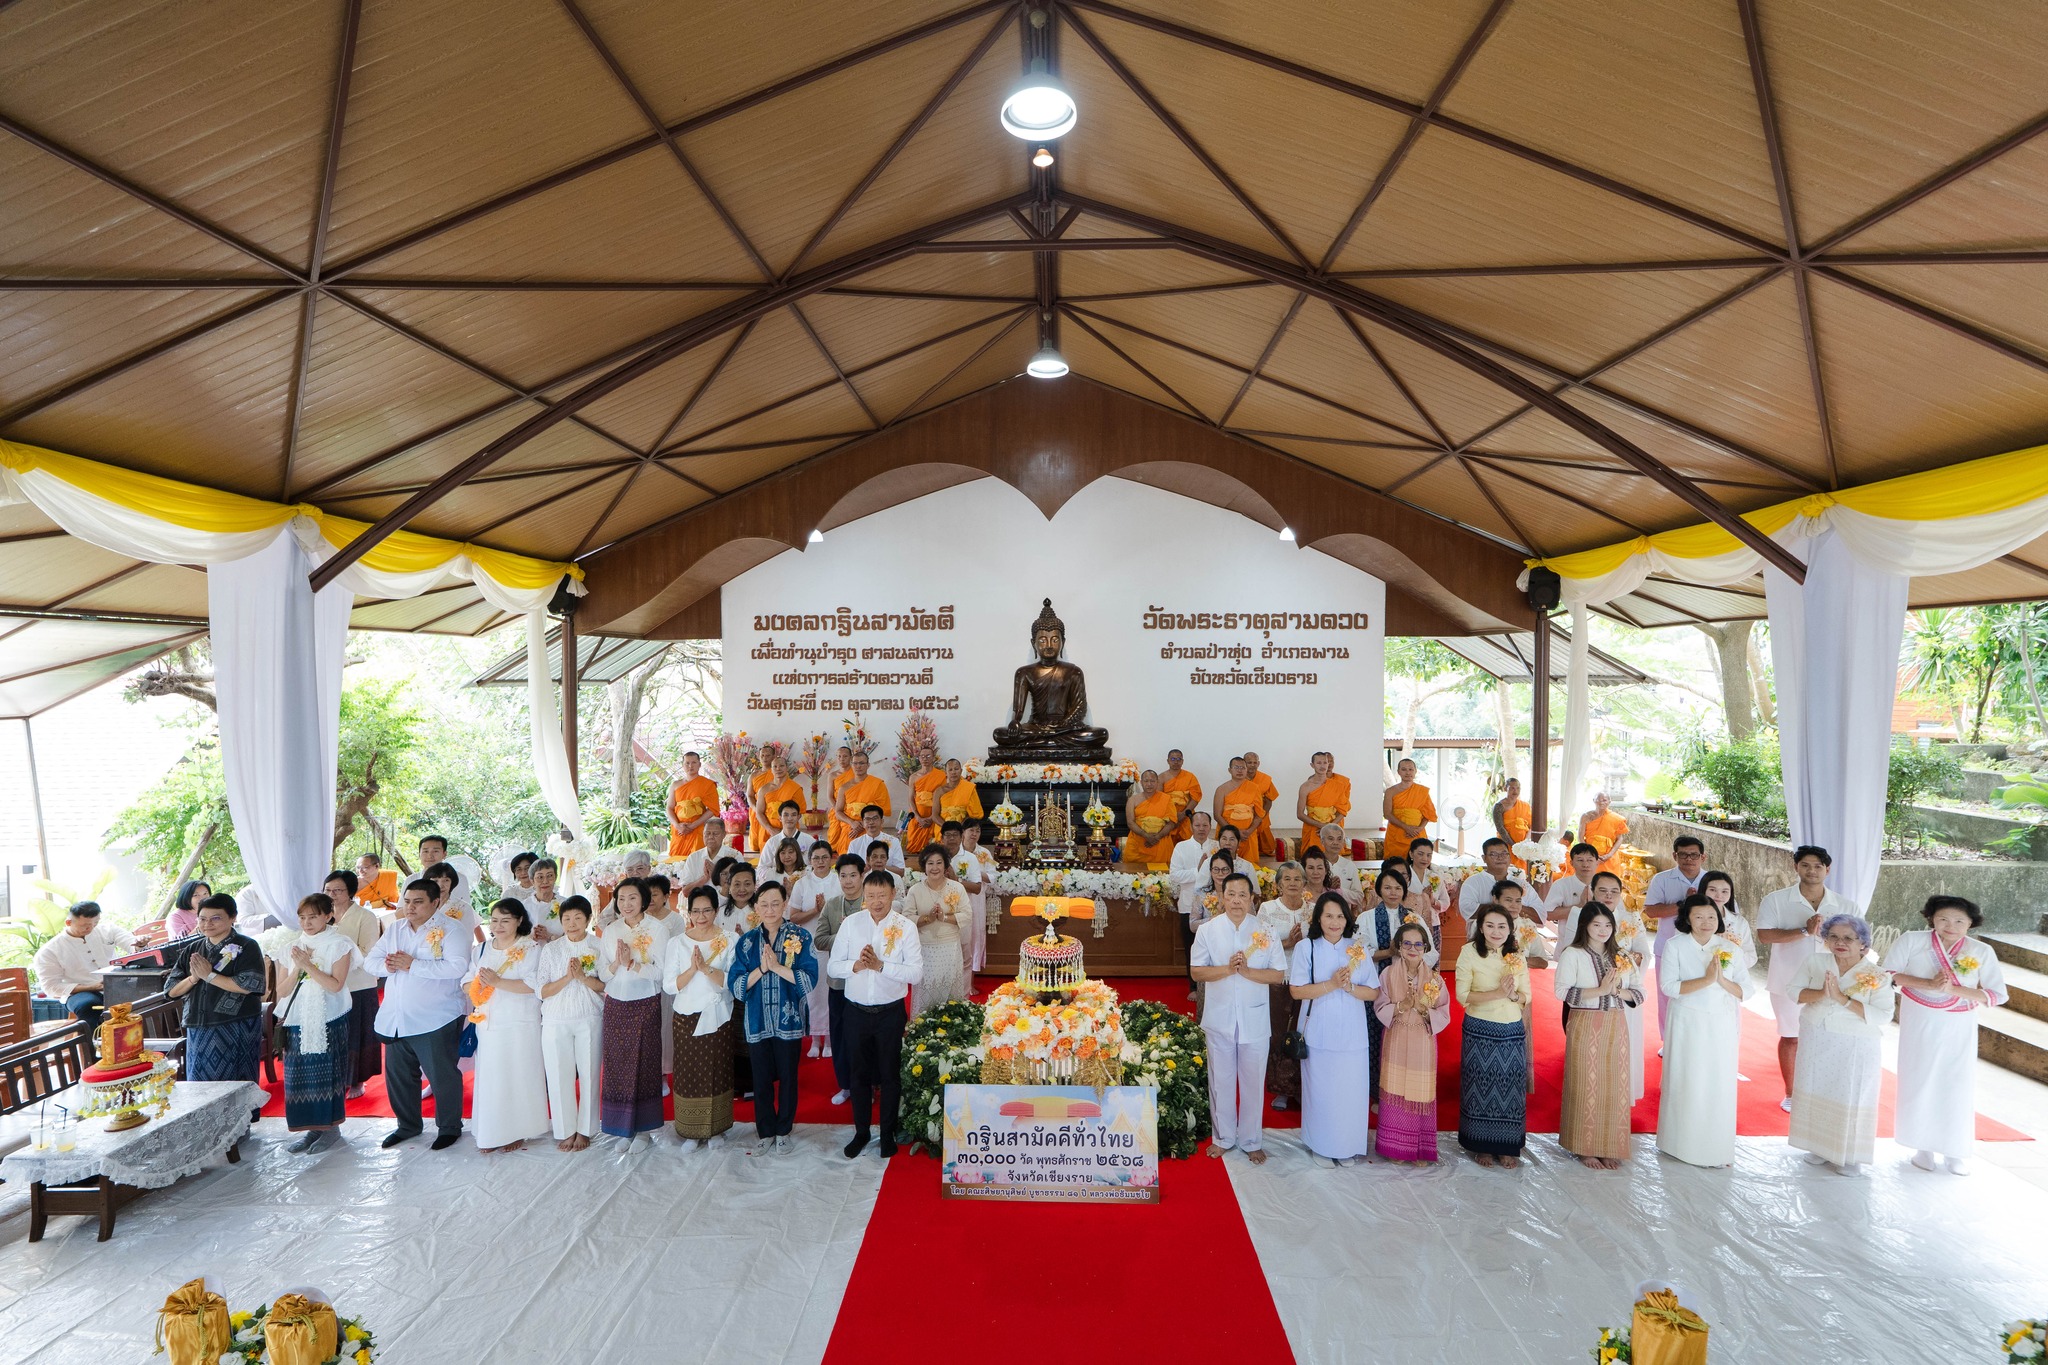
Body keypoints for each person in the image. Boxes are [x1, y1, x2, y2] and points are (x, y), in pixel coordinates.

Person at [1883, 895, 2009, 1176]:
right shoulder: (1911, 940)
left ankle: (1955, 1150)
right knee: (1919, 1077)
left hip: (1959, 1024)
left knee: (1955, 1082)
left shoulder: (1981, 951)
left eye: (1959, 921)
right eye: (1943, 919)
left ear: (1971, 924)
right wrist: (1927, 983)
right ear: (1931, 919)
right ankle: (1921, 1148)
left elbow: (1997, 994)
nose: (1950, 925)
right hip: (1920, 1019)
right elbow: (1887, 974)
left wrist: (1954, 990)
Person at [366, 878, 473, 1151]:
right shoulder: (395, 929)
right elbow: (371, 961)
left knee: (442, 1075)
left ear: (435, 903)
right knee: (399, 1076)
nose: (410, 907)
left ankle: (449, 1128)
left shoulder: (452, 929)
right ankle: (407, 1126)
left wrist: (413, 965)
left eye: (418, 902)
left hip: (436, 1016)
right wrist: (389, 966)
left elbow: (458, 967)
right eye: (407, 901)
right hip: (397, 1017)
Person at [1191, 872, 1288, 1164]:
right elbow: (1197, 971)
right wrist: (1227, 968)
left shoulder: (1266, 931)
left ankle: (1250, 1139)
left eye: (1242, 895)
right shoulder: (1208, 930)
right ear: (1222, 898)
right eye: (1230, 894)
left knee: (1252, 1081)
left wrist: (1246, 972)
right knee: (1220, 1080)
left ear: (1252, 899)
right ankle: (1223, 1137)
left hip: (1254, 1020)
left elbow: (1278, 974)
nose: (1236, 901)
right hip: (1219, 1018)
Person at [829, 869, 924, 1159]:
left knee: (889, 1074)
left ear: (893, 895)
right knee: (858, 1074)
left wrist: (881, 966)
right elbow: (833, 967)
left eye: (882, 895)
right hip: (855, 1011)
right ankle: (861, 1132)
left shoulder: (905, 927)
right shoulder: (851, 925)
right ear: (863, 896)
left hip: (889, 1013)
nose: (876, 901)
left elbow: (916, 973)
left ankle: (887, 1133)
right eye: (870, 896)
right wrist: (857, 966)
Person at [1756, 845, 1857, 1114]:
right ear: (1796, 867)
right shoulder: (1776, 900)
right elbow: (1765, 936)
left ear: (1828, 869)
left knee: (1830, 1037)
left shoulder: (1846, 905)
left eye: (1818, 866)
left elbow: (1857, 942)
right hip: (1788, 980)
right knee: (1791, 1037)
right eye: (1805, 865)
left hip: (1832, 982)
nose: (1812, 871)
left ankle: (1824, 1093)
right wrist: (1804, 930)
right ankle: (1791, 1093)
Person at [1790, 913, 1894, 1175]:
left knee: (1850, 1094)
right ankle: (1817, 1146)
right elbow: (1794, 991)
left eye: (1849, 938)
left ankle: (1850, 1156)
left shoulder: (1876, 974)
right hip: (1817, 1034)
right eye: (1833, 936)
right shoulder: (1816, 961)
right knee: (1817, 1087)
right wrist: (1821, 994)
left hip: (1855, 1043)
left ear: (1864, 945)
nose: (1841, 942)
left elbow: (1883, 1016)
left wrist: (1841, 998)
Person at [1657, 892, 1755, 1167]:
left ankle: (1715, 1145)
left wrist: (1721, 981)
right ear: (1687, 919)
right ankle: (1678, 1143)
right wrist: (1707, 979)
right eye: (1698, 917)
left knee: (1717, 1081)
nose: (1706, 922)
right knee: (1686, 1078)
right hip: (1687, 1021)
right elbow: (1669, 987)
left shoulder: (1728, 949)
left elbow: (1746, 990)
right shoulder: (1676, 946)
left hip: (1720, 1023)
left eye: (1711, 916)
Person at [1289, 891, 1379, 1166]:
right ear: (1319, 918)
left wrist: (1350, 987)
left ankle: (1347, 1146)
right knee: (1321, 1090)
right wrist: (1331, 984)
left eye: (1340, 916)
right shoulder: (1308, 947)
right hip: (1318, 1029)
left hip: (1351, 1031)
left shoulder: (1358, 948)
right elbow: (1296, 991)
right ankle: (1321, 1145)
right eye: (1328, 915)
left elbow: (1373, 992)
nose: (1335, 921)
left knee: (1351, 1090)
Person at [728, 879, 817, 1155]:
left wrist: (776, 967)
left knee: (789, 1076)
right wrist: (762, 970)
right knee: (761, 1078)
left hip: (788, 1020)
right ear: (756, 907)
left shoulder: (800, 938)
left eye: (775, 903)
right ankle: (765, 1130)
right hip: (756, 1020)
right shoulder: (746, 942)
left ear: (785, 904)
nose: (770, 909)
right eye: (764, 904)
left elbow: (809, 980)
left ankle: (784, 1129)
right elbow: (737, 986)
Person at [1555, 903, 1643, 1169]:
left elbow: (1640, 993)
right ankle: (1584, 1147)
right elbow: (1562, 992)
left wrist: (1617, 993)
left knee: (1614, 1085)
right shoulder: (1573, 954)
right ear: (1585, 926)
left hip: (1616, 1024)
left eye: (1608, 925)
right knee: (1585, 1082)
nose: (1603, 930)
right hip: (1584, 1022)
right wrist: (1601, 990)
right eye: (1597, 925)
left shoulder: (1622, 956)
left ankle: (1609, 1146)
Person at [464, 899, 549, 1153]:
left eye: (506, 920)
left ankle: (519, 1130)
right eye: (495, 920)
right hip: (488, 1022)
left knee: (518, 1075)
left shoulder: (532, 948)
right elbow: (468, 979)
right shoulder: (481, 949)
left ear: (519, 921)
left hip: (519, 1022)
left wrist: (498, 982)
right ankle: (490, 1131)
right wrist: (476, 987)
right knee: (492, 1077)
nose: (498, 925)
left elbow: (535, 985)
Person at [275, 893, 357, 1154]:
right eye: (302, 917)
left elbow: (335, 985)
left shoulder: (339, 944)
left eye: (313, 916)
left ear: (328, 915)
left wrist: (308, 965)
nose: (307, 923)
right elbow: (283, 991)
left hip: (330, 1018)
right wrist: (298, 967)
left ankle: (331, 1130)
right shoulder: (291, 946)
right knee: (300, 1075)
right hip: (297, 1019)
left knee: (327, 1074)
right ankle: (312, 1129)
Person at [597, 878, 669, 1153]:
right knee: (618, 1065)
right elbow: (604, 974)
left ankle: (644, 1131)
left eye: (632, 898)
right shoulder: (611, 930)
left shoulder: (658, 930)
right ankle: (622, 1128)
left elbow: (661, 973)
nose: (626, 904)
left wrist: (633, 964)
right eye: (621, 898)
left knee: (645, 1064)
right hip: (616, 1004)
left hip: (645, 1003)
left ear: (644, 901)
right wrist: (618, 962)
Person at [1456, 905, 1530, 1168]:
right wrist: (1498, 993)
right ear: (1481, 927)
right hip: (1480, 1026)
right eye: (1490, 925)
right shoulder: (1469, 952)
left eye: (1502, 926)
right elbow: (1462, 995)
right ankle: (1481, 1146)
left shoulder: (1517, 955)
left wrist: (1512, 996)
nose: (1496, 931)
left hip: (1510, 1027)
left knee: (1510, 1087)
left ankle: (1507, 1146)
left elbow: (1526, 995)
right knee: (1479, 1085)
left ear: (1510, 929)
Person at [166, 893, 264, 1091]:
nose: (207, 924)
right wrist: (194, 978)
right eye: (202, 919)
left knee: (234, 1086)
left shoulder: (247, 946)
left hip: (236, 1026)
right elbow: (171, 991)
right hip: (199, 1026)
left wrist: (209, 976)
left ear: (233, 918)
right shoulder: (193, 948)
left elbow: (250, 985)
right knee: (200, 1086)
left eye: (215, 918)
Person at [1373, 921, 1449, 1163]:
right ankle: (1395, 1148)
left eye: (1418, 944)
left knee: (1419, 1091)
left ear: (1426, 947)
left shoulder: (1435, 980)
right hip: (1395, 1037)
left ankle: (1419, 1147)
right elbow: (1379, 1006)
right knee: (1395, 1088)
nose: (1412, 948)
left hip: (1422, 1041)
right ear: (1398, 946)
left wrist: (1423, 1010)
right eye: (1407, 943)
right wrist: (1400, 1007)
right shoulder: (1387, 974)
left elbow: (1444, 1013)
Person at [536, 896, 604, 1151]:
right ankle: (565, 1129)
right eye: (566, 919)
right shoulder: (551, 949)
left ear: (588, 919)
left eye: (578, 918)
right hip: (555, 1019)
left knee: (589, 1073)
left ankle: (586, 1130)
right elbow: (541, 990)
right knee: (557, 1074)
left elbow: (605, 985)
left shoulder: (598, 946)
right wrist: (567, 977)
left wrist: (583, 978)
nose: (572, 923)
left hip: (589, 1016)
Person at [325, 869, 385, 1100]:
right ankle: (337, 1078)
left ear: (350, 892)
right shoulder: (323, 914)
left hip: (358, 983)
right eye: (328, 890)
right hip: (329, 983)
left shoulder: (364, 916)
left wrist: (337, 958)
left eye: (338, 890)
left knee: (357, 1032)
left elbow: (368, 952)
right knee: (335, 1033)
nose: (332, 895)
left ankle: (358, 1080)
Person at [1259, 861, 1313, 1111]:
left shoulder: (1313, 910)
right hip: (1278, 980)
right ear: (1278, 884)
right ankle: (1280, 1089)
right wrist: (1287, 943)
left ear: (1304, 883)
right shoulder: (1268, 909)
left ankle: (1303, 1088)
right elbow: (1259, 947)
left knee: (1305, 1034)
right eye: (1287, 879)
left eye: (1297, 879)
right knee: (1279, 1034)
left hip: (1306, 981)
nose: (1293, 883)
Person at [33, 901, 135, 1032]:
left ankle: (148, 1043)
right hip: (79, 991)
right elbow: (51, 987)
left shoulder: (107, 930)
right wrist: (92, 987)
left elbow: (131, 944)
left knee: (149, 993)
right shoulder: (49, 951)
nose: (91, 928)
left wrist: (139, 944)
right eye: (85, 925)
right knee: (88, 1005)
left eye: (95, 923)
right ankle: (92, 1049)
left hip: (115, 983)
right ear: (68, 923)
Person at [817, 854, 867, 1105]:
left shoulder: (871, 904)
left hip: (865, 982)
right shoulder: (831, 905)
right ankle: (845, 1085)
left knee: (864, 1036)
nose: (848, 881)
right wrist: (843, 934)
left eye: (853, 875)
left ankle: (866, 1086)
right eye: (843, 876)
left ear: (862, 876)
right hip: (838, 983)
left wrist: (854, 932)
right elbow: (819, 939)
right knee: (839, 1034)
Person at [902, 847, 972, 1013]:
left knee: (950, 993)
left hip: (950, 947)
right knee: (927, 991)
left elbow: (967, 914)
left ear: (946, 866)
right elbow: (907, 918)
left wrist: (944, 918)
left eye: (939, 863)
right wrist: (927, 919)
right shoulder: (915, 890)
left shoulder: (957, 888)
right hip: (925, 948)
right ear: (924, 867)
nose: (935, 867)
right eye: (930, 863)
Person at [790, 839, 841, 1056]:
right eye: (816, 858)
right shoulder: (802, 884)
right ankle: (814, 1039)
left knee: (830, 991)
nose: (820, 862)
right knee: (812, 993)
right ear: (810, 860)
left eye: (824, 857)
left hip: (834, 945)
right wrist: (815, 910)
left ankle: (829, 1039)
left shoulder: (839, 881)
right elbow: (793, 918)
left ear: (831, 859)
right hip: (808, 945)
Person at [941, 820, 989, 973]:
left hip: (964, 908)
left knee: (967, 944)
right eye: (947, 835)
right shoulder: (935, 857)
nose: (951, 838)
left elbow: (976, 887)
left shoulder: (970, 858)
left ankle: (966, 985)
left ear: (961, 836)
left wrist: (957, 881)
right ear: (942, 838)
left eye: (955, 835)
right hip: (941, 908)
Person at [1457, 837, 1533, 934]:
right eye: (1493, 854)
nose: (1500, 858)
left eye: (1504, 854)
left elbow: (1540, 916)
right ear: (1484, 858)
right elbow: (1467, 911)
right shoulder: (1472, 882)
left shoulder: (1521, 884)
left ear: (1510, 856)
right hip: (1481, 942)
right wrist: (1505, 907)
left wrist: (1513, 906)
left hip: (1518, 939)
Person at [834, 751, 892, 856]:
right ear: (851, 765)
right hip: (850, 830)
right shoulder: (844, 787)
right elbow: (838, 812)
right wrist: (852, 823)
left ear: (868, 765)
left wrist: (863, 824)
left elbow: (882, 810)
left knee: (873, 858)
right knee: (848, 861)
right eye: (855, 763)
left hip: (871, 828)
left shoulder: (878, 784)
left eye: (861, 763)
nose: (858, 766)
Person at [1294, 751, 1351, 857]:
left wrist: (1330, 826)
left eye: (1325, 763)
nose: (1322, 766)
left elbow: (1343, 810)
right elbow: (1300, 814)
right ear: (1312, 765)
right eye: (1319, 763)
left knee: (1333, 859)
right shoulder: (1305, 787)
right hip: (1313, 829)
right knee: (1312, 858)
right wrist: (1321, 826)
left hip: (1332, 828)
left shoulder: (1337, 785)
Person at [667, 751, 722, 858]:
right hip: (679, 830)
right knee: (676, 861)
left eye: (694, 762)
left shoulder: (707, 784)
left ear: (699, 764)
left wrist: (693, 825)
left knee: (697, 860)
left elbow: (712, 809)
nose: (690, 766)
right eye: (687, 763)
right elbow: (669, 808)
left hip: (697, 828)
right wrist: (677, 825)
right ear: (683, 765)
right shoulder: (675, 785)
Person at [1123, 769, 1181, 869]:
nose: (1149, 784)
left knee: (1161, 876)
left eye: (1152, 781)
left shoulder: (1166, 799)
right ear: (1141, 782)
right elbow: (1130, 822)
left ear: (1157, 782)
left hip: (1160, 843)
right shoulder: (1133, 800)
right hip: (1138, 842)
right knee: (1135, 875)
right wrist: (1146, 835)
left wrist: (1157, 837)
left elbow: (1171, 823)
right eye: (1146, 781)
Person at [1381, 756, 1436, 861]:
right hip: (1396, 834)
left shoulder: (1422, 791)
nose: (1408, 772)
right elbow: (1387, 814)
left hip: (1417, 834)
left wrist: (1419, 829)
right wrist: (1406, 827)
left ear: (1415, 771)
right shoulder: (1390, 791)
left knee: (1419, 863)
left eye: (1411, 769)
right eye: (1404, 769)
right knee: (1394, 864)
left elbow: (1428, 815)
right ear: (1398, 772)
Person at [1542, 843, 1601, 938]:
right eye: (1580, 860)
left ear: (1597, 863)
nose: (1585, 864)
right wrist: (1579, 906)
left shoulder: (1605, 886)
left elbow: (1618, 912)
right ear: (1572, 863)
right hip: (1568, 941)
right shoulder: (1561, 885)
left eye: (1590, 860)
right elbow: (1548, 914)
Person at [747, 750, 793, 853]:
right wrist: (756, 808)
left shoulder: (780, 775)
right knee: (756, 844)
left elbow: (785, 793)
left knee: (775, 843)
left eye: (767, 755)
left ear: (773, 756)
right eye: (762, 755)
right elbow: (749, 795)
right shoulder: (754, 775)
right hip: (757, 810)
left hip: (773, 812)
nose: (764, 757)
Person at [1213, 757, 1260, 856]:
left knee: (1250, 867)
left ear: (1246, 770)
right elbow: (1217, 815)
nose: (1240, 770)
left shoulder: (1254, 788)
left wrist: (1249, 831)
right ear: (1230, 770)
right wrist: (1235, 832)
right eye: (1236, 767)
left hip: (1248, 835)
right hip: (1227, 835)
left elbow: (1259, 815)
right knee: (1225, 862)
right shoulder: (1221, 789)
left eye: (1243, 767)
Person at [755, 800, 814, 878]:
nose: (789, 818)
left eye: (793, 815)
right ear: (780, 817)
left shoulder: (809, 840)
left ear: (799, 817)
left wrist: (798, 876)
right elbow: (761, 869)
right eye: (786, 815)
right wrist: (780, 875)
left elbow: (815, 866)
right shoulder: (772, 842)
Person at [902, 754, 947, 856]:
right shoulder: (913, 777)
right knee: (913, 848)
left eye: (928, 756)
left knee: (934, 848)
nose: (925, 759)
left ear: (933, 758)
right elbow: (911, 799)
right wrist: (918, 817)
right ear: (919, 758)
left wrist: (932, 818)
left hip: (934, 816)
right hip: (917, 818)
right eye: (922, 756)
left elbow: (943, 799)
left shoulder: (940, 775)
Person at [1242, 751, 1281, 860]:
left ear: (1258, 763)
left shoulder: (1265, 779)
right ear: (1244, 763)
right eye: (1249, 762)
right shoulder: (1239, 777)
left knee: (1269, 847)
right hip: (1244, 814)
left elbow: (1269, 800)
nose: (1252, 765)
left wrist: (1261, 816)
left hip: (1261, 813)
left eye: (1255, 762)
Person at [1579, 790, 1630, 875]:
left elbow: (1619, 839)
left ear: (1609, 802)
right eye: (1598, 799)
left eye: (1604, 800)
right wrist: (1590, 855)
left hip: (1608, 858)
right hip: (1589, 857)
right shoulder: (1586, 816)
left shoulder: (1617, 819)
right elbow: (1580, 837)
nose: (1601, 802)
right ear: (1593, 800)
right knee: (1589, 884)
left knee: (1609, 884)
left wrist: (1609, 855)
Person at [847, 805, 905, 876]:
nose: (871, 822)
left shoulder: (894, 841)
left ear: (882, 821)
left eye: (875, 818)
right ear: (862, 823)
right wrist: (864, 869)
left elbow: (901, 871)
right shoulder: (854, 844)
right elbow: (848, 870)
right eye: (867, 819)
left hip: (887, 883)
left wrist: (879, 867)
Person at [1159, 749, 1202, 841]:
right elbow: (1159, 799)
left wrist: (1183, 814)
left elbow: (1195, 797)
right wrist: (1173, 816)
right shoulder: (1161, 777)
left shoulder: (1190, 777)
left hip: (1186, 814)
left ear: (1182, 761)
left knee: (1188, 843)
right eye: (1173, 759)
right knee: (1167, 843)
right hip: (1167, 816)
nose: (1176, 762)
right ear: (1168, 761)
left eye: (1179, 759)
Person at [519, 858, 564, 942]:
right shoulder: (523, 906)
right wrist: (530, 937)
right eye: (540, 877)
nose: (545, 881)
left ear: (555, 878)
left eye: (550, 876)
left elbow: (574, 937)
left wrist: (550, 936)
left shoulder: (565, 904)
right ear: (532, 881)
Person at [1492, 777, 1533, 869]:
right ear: (1505, 788)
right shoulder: (1499, 806)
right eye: (1512, 788)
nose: (1515, 791)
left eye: (1518, 788)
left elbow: (1531, 826)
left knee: (1523, 874)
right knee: (1507, 870)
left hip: (1523, 847)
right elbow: (1500, 829)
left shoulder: (1525, 806)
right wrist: (1514, 846)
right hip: (1506, 845)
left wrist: (1525, 843)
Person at [934, 758, 984, 831]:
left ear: (961, 771)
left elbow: (975, 814)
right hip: (943, 829)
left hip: (962, 829)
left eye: (956, 769)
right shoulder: (939, 791)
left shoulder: (969, 788)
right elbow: (934, 815)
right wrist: (947, 828)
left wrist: (960, 828)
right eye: (950, 770)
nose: (953, 772)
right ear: (945, 773)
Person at [826, 744, 859, 852]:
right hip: (836, 808)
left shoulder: (856, 774)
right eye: (839, 756)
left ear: (851, 757)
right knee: (833, 836)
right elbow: (830, 795)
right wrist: (837, 809)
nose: (842, 759)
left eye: (845, 756)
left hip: (851, 809)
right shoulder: (833, 775)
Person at [1406, 838, 1450, 919]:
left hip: (1433, 921)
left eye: (1429, 855)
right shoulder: (1403, 876)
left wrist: (1433, 901)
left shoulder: (1435, 877)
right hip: (1409, 922)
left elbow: (1446, 903)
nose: (1425, 859)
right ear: (1411, 854)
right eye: (1420, 854)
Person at [758, 819, 811, 886]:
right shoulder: (771, 874)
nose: (787, 856)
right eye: (783, 853)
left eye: (790, 852)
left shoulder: (807, 872)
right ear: (778, 855)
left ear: (797, 853)